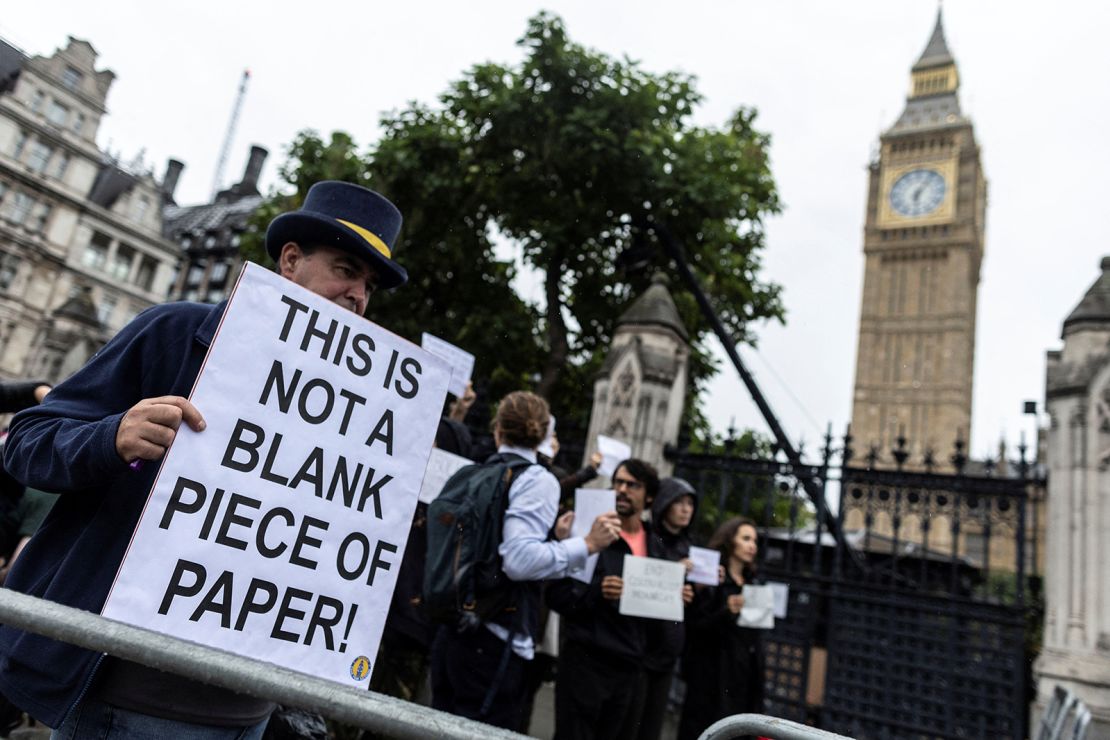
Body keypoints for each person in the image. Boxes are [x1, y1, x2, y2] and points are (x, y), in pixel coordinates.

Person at [0, 181, 408, 739]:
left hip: (252, 713)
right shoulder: (174, 331)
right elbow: (29, 440)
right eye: (345, 268)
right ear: (291, 261)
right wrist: (111, 437)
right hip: (131, 700)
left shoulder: (362, 410)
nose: (357, 294)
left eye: (370, 284)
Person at [429, 391, 621, 731]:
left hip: (454, 628)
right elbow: (518, 560)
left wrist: (557, 542)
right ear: (545, 434)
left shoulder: (477, 471)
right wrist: (586, 544)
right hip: (494, 637)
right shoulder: (536, 479)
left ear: (498, 430)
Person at [547, 458, 669, 740]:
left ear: (649, 496)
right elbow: (557, 595)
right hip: (585, 663)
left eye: (633, 485)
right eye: (618, 482)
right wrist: (597, 591)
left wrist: (677, 596)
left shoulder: (657, 547)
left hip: (629, 670)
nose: (622, 490)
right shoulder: (590, 532)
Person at [677, 517, 764, 740]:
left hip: (742, 674)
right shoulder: (712, 576)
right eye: (745, 538)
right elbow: (696, 625)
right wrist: (726, 611)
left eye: (754, 540)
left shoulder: (753, 582)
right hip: (711, 676)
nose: (752, 545)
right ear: (729, 541)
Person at [630, 477, 699, 740]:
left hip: (669, 649)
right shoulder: (647, 537)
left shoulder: (689, 546)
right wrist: (674, 572)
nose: (685, 509)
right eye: (679, 502)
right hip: (643, 645)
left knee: (651, 725)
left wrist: (701, 587)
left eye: (690, 504)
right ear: (665, 504)